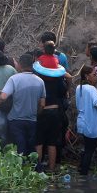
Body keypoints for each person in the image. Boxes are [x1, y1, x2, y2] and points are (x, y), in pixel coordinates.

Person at [0, 53, 46, 156]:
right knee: (31, 148)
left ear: (20, 65)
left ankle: (19, 169)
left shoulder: (14, 79)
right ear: (32, 65)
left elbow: (3, 97)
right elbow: (42, 104)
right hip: (32, 120)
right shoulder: (40, 81)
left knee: (19, 148)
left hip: (16, 119)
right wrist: (35, 115)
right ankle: (33, 169)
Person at [34, 42, 68, 172]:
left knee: (39, 141)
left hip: (42, 111)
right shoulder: (58, 78)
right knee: (52, 142)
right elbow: (63, 91)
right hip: (55, 111)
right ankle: (52, 169)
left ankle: (38, 169)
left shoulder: (38, 79)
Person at [76, 65, 97, 176]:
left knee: (86, 148)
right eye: (94, 75)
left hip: (82, 122)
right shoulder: (92, 89)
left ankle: (81, 169)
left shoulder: (79, 87)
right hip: (90, 124)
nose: (96, 77)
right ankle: (84, 174)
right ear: (87, 76)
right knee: (89, 150)